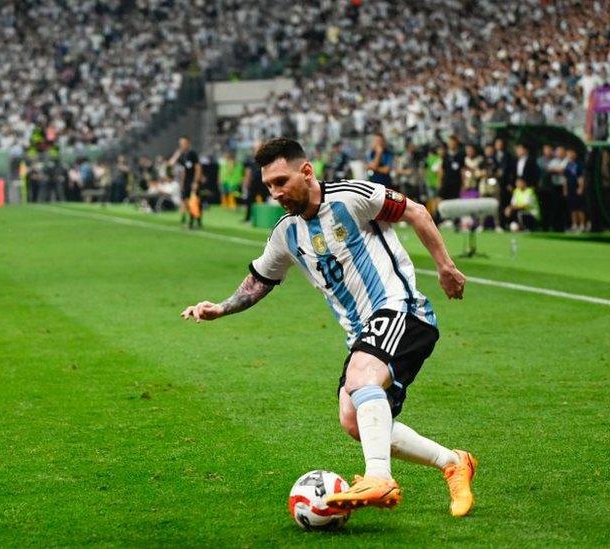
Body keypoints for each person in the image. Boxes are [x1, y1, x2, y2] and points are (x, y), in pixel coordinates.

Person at [181, 137, 476, 517]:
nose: (275, 192)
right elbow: (259, 281)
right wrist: (220, 308)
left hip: (400, 309)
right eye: (269, 185)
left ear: (307, 172)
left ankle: (379, 477)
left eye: (282, 181)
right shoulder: (286, 233)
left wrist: (445, 266)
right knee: (353, 420)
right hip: (362, 333)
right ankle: (453, 462)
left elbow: (416, 211)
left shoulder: (352, 198)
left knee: (361, 378)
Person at [168, 136, 203, 229]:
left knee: (194, 201)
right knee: (186, 201)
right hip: (187, 181)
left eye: (183, 143)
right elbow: (172, 164)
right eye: (180, 143)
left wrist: (196, 182)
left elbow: (198, 168)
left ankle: (193, 222)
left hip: (193, 181)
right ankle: (194, 221)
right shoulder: (183, 155)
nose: (181, 145)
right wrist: (183, 183)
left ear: (188, 143)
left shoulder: (192, 153)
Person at [564, 148, 587, 232]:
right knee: (572, 208)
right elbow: (566, 178)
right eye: (568, 153)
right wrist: (565, 189)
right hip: (570, 189)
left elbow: (581, 177)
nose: (569, 155)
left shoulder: (579, 164)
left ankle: (582, 224)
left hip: (577, 188)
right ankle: (574, 224)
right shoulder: (568, 165)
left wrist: (581, 188)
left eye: (571, 153)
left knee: (580, 208)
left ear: (574, 154)